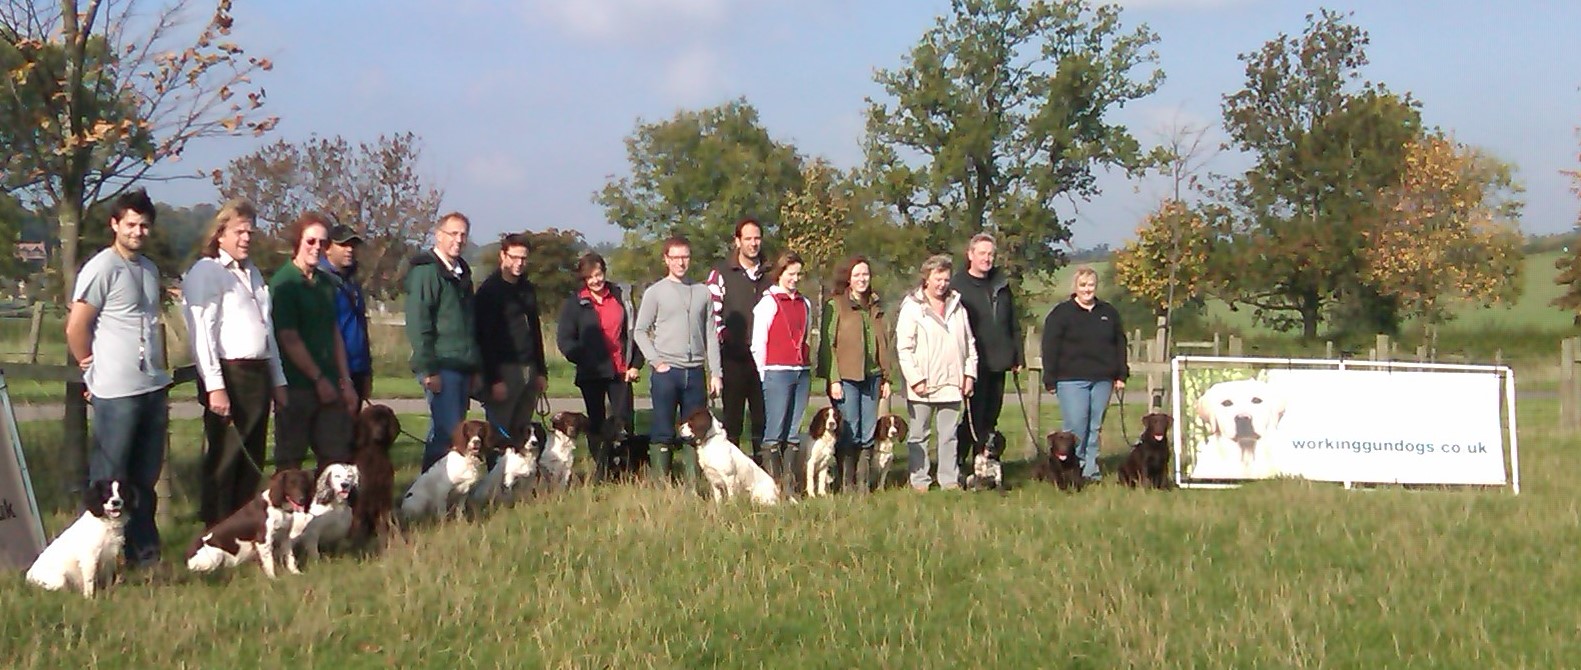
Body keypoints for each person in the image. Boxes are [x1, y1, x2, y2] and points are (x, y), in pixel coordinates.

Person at [64, 188, 171, 567]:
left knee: (144, 480)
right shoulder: (101, 268)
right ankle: (95, 561)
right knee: (109, 478)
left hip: (152, 387)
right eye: (131, 224)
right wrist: (90, 367)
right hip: (116, 391)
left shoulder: (149, 269)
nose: (138, 231)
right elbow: (77, 326)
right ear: (115, 224)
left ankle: (144, 556)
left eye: (144, 225)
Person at [181, 199, 290, 526]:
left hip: (258, 374)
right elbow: (203, 333)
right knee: (226, 458)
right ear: (220, 234)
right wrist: (215, 387)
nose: (246, 238)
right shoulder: (208, 272)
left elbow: (266, 330)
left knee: (251, 457)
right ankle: (216, 531)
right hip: (230, 375)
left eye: (250, 232)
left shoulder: (252, 273)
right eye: (239, 231)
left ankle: (242, 529)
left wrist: (279, 380)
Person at [270, 212, 358, 470]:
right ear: (297, 242)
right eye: (311, 241)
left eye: (322, 242)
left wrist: (346, 382)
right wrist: (318, 378)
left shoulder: (326, 283)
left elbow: (334, 333)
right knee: (291, 460)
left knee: (335, 458)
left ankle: (330, 510)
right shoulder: (284, 282)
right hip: (296, 386)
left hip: (331, 385)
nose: (316, 247)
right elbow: (288, 337)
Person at [633, 235, 722, 486]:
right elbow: (640, 331)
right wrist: (655, 361)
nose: (681, 262)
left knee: (695, 430)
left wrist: (715, 372)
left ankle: (692, 485)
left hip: (695, 371)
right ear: (666, 259)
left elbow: (711, 334)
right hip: (666, 373)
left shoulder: (702, 292)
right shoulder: (655, 292)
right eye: (675, 257)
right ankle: (662, 484)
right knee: (662, 429)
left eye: (685, 257)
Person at [557, 252, 644, 482]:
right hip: (591, 373)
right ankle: (602, 469)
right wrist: (584, 358)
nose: (596, 280)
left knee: (623, 420)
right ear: (583, 279)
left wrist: (635, 363)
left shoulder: (621, 296)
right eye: (590, 277)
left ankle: (624, 469)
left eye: (599, 274)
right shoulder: (575, 304)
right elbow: (565, 340)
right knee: (596, 423)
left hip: (620, 371)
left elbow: (635, 331)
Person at [894, 254, 977, 492]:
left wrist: (969, 375)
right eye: (937, 278)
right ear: (926, 278)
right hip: (923, 383)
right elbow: (904, 347)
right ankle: (919, 480)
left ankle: (948, 480)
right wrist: (916, 379)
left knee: (949, 436)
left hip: (953, 382)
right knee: (919, 435)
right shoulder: (912, 307)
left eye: (946, 279)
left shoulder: (958, 306)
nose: (942, 284)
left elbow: (969, 343)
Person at [405, 212, 481, 471]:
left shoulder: (461, 272)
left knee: (450, 431)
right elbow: (419, 322)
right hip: (441, 364)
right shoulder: (427, 271)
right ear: (438, 235)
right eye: (452, 233)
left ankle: (435, 495)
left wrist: (474, 366)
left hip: (461, 363)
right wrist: (428, 369)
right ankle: (429, 494)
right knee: (449, 434)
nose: (458, 240)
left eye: (463, 235)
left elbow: (468, 324)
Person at [1041, 265, 1128, 484]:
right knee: (1076, 426)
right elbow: (1050, 346)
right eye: (1083, 285)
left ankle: (1091, 470)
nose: (1087, 290)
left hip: (1103, 378)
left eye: (1091, 285)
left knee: (1094, 427)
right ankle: (1070, 470)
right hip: (1071, 379)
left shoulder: (1108, 312)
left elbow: (1119, 344)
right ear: (1075, 287)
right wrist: (1050, 377)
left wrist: (1120, 374)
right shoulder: (1061, 314)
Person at [815, 255, 892, 494]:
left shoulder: (876, 306)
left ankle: (863, 484)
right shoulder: (835, 305)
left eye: (866, 274)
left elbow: (883, 343)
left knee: (868, 432)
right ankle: (845, 483)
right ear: (848, 278)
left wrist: (886, 378)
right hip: (846, 377)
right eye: (857, 274)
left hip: (872, 375)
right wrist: (833, 378)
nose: (862, 279)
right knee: (849, 429)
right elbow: (828, 344)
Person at [952, 233, 1023, 463]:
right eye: (982, 253)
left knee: (991, 417)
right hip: (973, 363)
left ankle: (984, 463)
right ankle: (960, 462)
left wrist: (1017, 354)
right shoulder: (957, 286)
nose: (987, 258)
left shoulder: (1001, 284)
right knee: (972, 417)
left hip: (999, 361)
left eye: (991, 254)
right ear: (970, 255)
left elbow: (1012, 321)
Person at [705, 219, 771, 459]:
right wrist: (727, 342)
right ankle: (731, 474)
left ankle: (763, 476)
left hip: (764, 361)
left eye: (757, 238)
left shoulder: (771, 275)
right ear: (737, 241)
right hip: (733, 359)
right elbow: (712, 316)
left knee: (762, 421)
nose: (753, 244)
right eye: (748, 239)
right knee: (732, 422)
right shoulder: (721, 274)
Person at [475, 233, 548, 448]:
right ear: (503, 256)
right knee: (499, 433)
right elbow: (484, 339)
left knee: (523, 432)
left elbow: (535, 331)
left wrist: (541, 371)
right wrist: (493, 379)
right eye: (514, 257)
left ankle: (519, 480)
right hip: (504, 371)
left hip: (529, 368)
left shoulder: (527, 288)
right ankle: (495, 479)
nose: (519, 263)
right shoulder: (489, 291)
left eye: (524, 258)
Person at [750, 252, 813, 496]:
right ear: (780, 274)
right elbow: (759, 342)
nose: (795, 279)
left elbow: (805, 335)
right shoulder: (768, 303)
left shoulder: (804, 303)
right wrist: (764, 373)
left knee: (794, 431)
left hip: (801, 371)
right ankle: (772, 485)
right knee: (775, 429)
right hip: (776, 371)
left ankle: (791, 487)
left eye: (798, 274)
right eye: (790, 274)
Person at [320, 223, 373, 406]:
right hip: (335, 372)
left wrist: (367, 372)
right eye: (343, 245)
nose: (349, 250)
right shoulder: (321, 282)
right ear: (327, 249)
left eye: (352, 245)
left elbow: (361, 328)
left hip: (357, 369)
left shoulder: (353, 283)